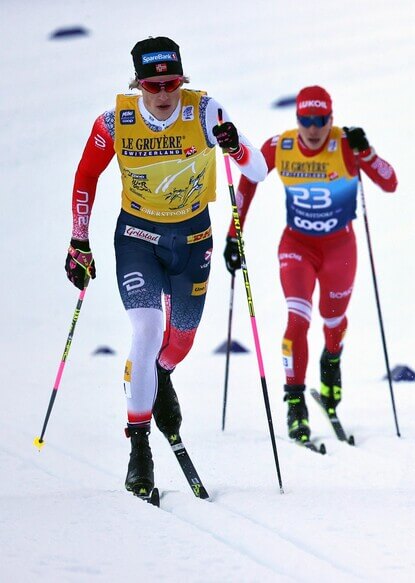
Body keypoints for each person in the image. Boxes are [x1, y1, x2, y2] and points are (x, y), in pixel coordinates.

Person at [65, 36, 267, 499]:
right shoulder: (116, 122)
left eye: (170, 82)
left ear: (183, 80)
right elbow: (85, 175)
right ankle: (139, 449)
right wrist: (79, 239)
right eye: (152, 84)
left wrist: (234, 146)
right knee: (147, 330)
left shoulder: (205, 111)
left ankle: (162, 375)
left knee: (179, 341)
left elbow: (255, 170)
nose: (161, 93)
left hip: (192, 241)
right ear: (137, 84)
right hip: (136, 238)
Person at [223, 86, 397, 446]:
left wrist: (368, 152)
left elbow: (389, 182)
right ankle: (295, 401)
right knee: (296, 320)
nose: (313, 129)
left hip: (339, 249)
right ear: (297, 119)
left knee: (332, 321)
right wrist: (232, 235)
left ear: (331, 119)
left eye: (321, 121)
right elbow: (248, 182)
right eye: (306, 120)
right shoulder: (280, 146)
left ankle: (331, 363)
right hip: (297, 246)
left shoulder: (346, 144)